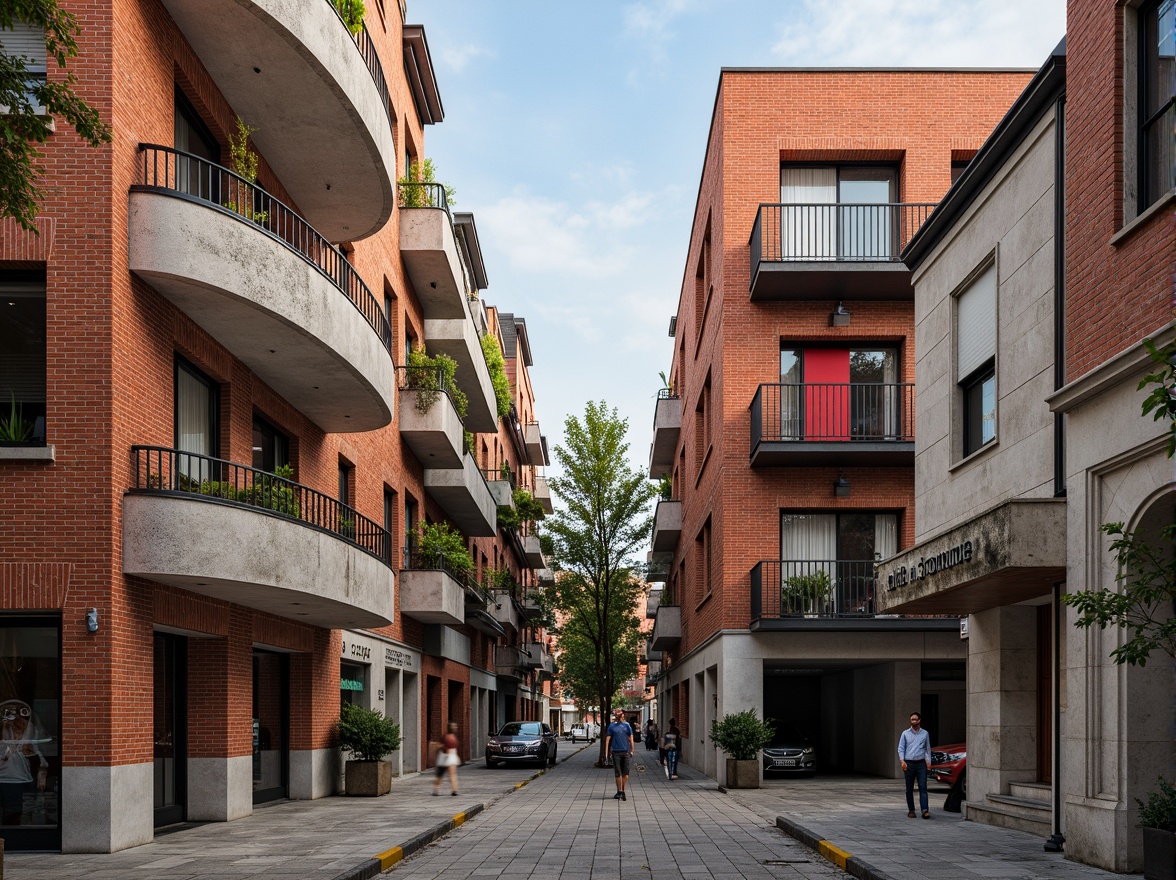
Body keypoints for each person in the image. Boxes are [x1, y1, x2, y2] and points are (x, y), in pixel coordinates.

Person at [897, 711, 931, 819]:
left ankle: (925, 810)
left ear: (919, 720)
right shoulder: (905, 734)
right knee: (909, 788)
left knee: (923, 787)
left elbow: (927, 749)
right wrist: (902, 761)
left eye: (916, 719)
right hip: (909, 763)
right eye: (912, 719)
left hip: (921, 763)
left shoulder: (925, 734)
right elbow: (901, 748)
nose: (914, 721)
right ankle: (911, 810)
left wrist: (928, 763)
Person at [604, 708, 636, 801]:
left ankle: (621, 789)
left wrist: (632, 750)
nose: (619, 716)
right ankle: (620, 791)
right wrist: (606, 753)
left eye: (620, 714)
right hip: (615, 752)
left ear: (623, 715)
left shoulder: (627, 726)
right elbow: (607, 740)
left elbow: (631, 738)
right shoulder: (612, 726)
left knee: (626, 773)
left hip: (625, 751)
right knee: (618, 772)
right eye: (617, 715)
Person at [432, 721, 461, 797]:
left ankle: (454, 790)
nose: (455, 728)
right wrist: (444, 747)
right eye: (453, 727)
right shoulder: (445, 737)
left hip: (451, 756)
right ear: (449, 728)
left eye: (455, 726)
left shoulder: (453, 736)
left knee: (452, 774)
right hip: (444, 757)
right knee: (440, 774)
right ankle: (436, 789)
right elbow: (438, 745)